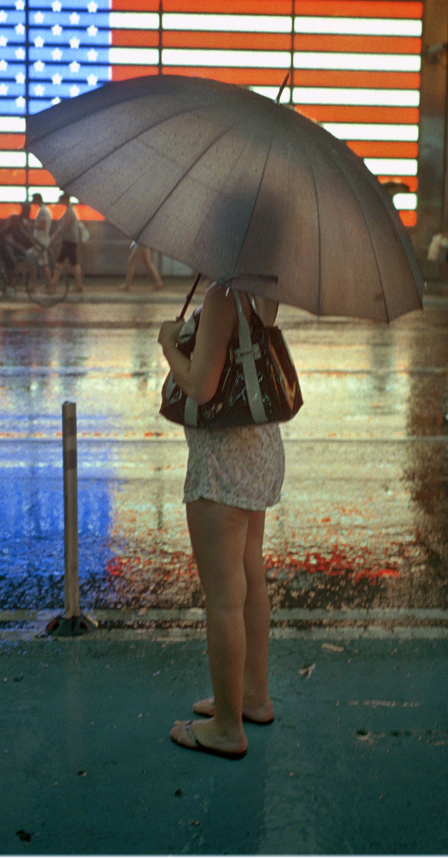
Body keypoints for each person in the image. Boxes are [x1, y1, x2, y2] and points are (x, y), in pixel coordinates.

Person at [157, 282, 284, 760]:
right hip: (259, 447)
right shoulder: (263, 288)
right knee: (251, 575)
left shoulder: (222, 295)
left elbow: (201, 385)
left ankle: (227, 727)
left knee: (224, 598)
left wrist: (170, 344)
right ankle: (252, 696)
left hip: (224, 456)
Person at [0, 203, 36, 296]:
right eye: (29, 211)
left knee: (21, 254)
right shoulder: (15, 219)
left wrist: (31, 245)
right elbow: (17, 236)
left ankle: (6, 271)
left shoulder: (19, 220)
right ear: (25, 212)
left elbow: (22, 235)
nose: (30, 214)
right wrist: (31, 245)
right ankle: (9, 288)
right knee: (11, 262)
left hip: (1, 239)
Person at [49, 192, 84, 294]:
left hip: (69, 241)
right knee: (61, 262)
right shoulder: (69, 210)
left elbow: (63, 227)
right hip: (69, 240)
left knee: (73, 262)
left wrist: (53, 238)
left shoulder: (69, 211)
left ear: (65, 200)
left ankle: (78, 285)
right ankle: (54, 283)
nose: (60, 202)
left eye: (61, 200)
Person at [24, 193, 53, 291]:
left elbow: (43, 226)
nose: (32, 201)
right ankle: (35, 285)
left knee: (43, 265)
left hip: (41, 242)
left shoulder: (43, 211)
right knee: (34, 262)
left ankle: (49, 286)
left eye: (33, 199)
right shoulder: (43, 210)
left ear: (37, 200)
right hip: (39, 242)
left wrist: (31, 226)